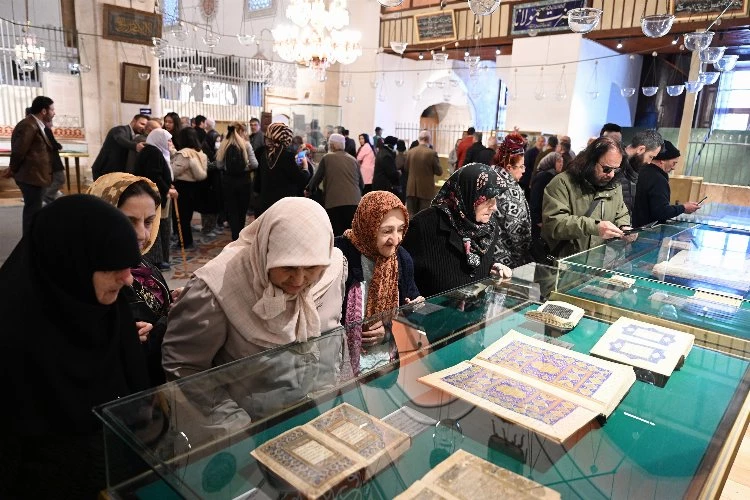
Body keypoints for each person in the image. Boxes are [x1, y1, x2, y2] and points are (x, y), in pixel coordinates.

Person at [0, 195, 148, 499]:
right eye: (113, 267)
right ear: (71, 263)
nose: (128, 280)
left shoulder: (110, 311)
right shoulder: (11, 333)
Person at [161, 197, 347, 382]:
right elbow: (184, 367)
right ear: (265, 252)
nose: (298, 280)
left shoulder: (331, 272)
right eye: (287, 267)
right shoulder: (216, 288)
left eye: (311, 267)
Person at [88, 173, 178, 386]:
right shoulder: (97, 277)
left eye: (148, 222)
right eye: (128, 222)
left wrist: (171, 299)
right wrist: (173, 317)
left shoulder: (139, 262)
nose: (142, 235)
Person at [335, 191, 421, 374]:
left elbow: (411, 309)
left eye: (401, 229)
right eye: (387, 231)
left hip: (385, 365)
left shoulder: (402, 259)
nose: (396, 239)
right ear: (368, 226)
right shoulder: (339, 255)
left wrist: (388, 332)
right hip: (342, 367)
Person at [402, 163, 512, 297]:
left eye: (495, 198)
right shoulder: (424, 225)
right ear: (467, 194)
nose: (494, 207)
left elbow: (474, 265)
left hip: (473, 308)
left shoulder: (489, 228)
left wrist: (491, 266)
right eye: (487, 198)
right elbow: (403, 275)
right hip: (433, 309)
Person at [541, 136, 631, 259]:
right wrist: (595, 227)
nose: (611, 175)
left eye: (616, 170)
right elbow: (554, 224)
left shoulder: (615, 186)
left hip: (597, 262)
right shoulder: (562, 183)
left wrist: (624, 227)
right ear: (590, 162)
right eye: (606, 169)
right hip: (565, 262)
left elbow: (621, 213)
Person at [4, 96, 56, 235]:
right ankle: (28, 241)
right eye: (52, 109)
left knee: (34, 210)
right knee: (32, 212)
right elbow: (19, 151)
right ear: (44, 111)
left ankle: (32, 238)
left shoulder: (35, 124)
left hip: (35, 176)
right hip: (31, 177)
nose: (54, 113)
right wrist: (12, 169)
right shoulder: (28, 125)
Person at [633, 140, 701, 227]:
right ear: (662, 161)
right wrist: (683, 208)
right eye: (673, 163)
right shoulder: (658, 179)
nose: (674, 168)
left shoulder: (640, 171)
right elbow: (661, 211)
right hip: (648, 229)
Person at [135, 128, 177, 270]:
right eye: (168, 140)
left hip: (155, 195)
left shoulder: (153, 150)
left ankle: (162, 258)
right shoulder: (153, 152)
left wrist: (168, 184)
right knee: (156, 228)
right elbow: (154, 176)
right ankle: (157, 260)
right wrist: (167, 189)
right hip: (154, 196)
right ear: (160, 140)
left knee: (160, 227)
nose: (170, 143)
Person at [306, 133, 363, 235]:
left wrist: (308, 189)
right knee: (351, 235)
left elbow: (317, 178)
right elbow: (361, 184)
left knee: (337, 234)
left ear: (332, 145)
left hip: (334, 203)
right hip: (354, 203)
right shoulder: (353, 159)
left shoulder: (327, 158)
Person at [491, 133, 532, 269]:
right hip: (508, 261)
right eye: (521, 166)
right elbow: (518, 233)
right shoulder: (511, 191)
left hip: (487, 256)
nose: (524, 171)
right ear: (509, 168)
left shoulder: (487, 179)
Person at [254, 122, 310, 216]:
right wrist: (305, 168)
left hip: (265, 204)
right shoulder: (286, 156)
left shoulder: (264, 153)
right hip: (281, 206)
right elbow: (300, 179)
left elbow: (258, 182)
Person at [217, 121, 259, 240]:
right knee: (242, 210)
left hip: (228, 182)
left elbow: (219, 165)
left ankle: (234, 236)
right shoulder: (246, 145)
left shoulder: (224, 144)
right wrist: (245, 168)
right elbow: (255, 164)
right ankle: (240, 235)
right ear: (241, 131)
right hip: (244, 181)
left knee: (232, 210)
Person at [172, 128, 208, 250]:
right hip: (195, 187)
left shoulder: (184, 153)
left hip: (182, 187)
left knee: (182, 217)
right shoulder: (200, 152)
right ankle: (187, 240)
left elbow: (174, 172)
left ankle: (185, 242)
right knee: (187, 217)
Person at [618, 129, 664, 216]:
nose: (649, 162)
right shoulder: (615, 166)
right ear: (641, 149)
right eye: (650, 156)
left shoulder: (631, 168)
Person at [91, 114, 148, 179]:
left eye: (145, 126)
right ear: (134, 121)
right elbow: (120, 138)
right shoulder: (120, 129)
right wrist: (136, 146)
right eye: (142, 124)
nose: (143, 127)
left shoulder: (136, 135)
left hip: (116, 173)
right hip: (104, 171)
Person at [405, 130, 442, 216]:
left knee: (411, 215)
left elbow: (406, 168)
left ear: (419, 139)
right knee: (424, 216)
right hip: (426, 190)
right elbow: (439, 172)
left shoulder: (410, 152)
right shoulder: (432, 153)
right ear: (428, 139)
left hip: (411, 189)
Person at [529, 152, 563, 239]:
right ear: (551, 162)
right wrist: (538, 221)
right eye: (559, 161)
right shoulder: (543, 177)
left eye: (562, 162)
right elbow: (535, 199)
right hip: (540, 221)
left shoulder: (553, 176)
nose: (561, 164)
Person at [42, 114, 65, 206]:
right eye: (50, 122)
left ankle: (49, 197)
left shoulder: (43, 130)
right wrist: (58, 146)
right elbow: (52, 144)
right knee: (60, 179)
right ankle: (47, 196)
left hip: (49, 160)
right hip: (53, 160)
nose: (51, 124)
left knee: (53, 180)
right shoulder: (45, 130)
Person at [395, 139, 408, 203]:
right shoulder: (406, 156)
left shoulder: (396, 156)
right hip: (405, 178)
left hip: (398, 179)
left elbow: (397, 166)